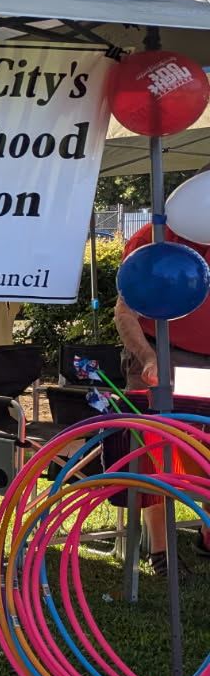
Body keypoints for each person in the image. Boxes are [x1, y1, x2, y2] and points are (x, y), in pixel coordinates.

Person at [115, 221, 210, 575]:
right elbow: (125, 312)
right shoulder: (151, 239)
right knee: (155, 449)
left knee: (204, 448)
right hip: (160, 351)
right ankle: (161, 552)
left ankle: (206, 535)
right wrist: (150, 359)